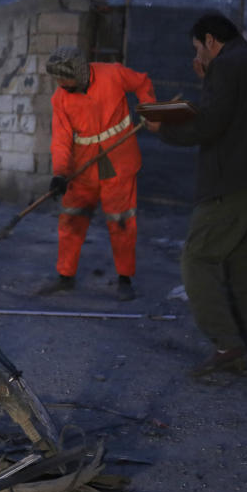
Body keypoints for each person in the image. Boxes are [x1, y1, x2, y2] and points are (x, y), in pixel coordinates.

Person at [148, 12, 247, 377]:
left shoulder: (227, 66)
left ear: (210, 40)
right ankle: (236, 350)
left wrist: (162, 127)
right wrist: (208, 80)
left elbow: (209, 124)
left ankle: (227, 344)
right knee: (242, 268)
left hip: (231, 182)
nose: (198, 57)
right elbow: (237, 110)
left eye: (198, 48)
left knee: (197, 258)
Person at [41, 47, 156, 301]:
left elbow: (142, 82)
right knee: (71, 217)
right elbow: (61, 140)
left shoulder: (113, 74)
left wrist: (149, 110)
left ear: (80, 73)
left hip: (118, 159)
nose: (60, 84)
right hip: (83, 165)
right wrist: (60, 173)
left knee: (121, 219)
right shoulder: (60, 98)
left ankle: (125, 279)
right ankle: (65, 277)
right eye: (57, 79)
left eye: (64, 78)